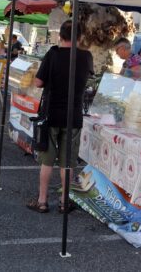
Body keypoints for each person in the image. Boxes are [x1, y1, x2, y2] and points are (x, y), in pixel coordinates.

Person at [26, 20, 94, 214]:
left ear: (60, 35)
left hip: (50, 114)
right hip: (73, 115)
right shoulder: (86, 56)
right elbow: (87, 78)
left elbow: (38, 83)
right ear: (80, 37)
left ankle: (42, 201)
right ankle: (65, 202)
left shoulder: (53, 54)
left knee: (47, 160)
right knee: (67, 162)